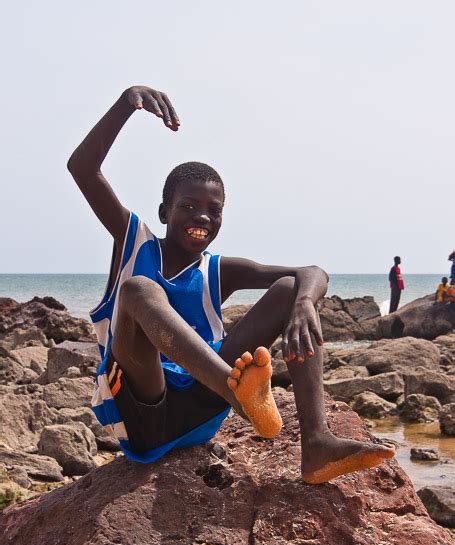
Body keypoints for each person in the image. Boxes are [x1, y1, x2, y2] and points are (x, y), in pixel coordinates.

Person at [67, 85, 394, 485]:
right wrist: (126, 103)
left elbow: (313, 272)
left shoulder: (219, 270)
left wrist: (305, 302)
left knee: (292, 290)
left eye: (213, 210)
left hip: (203, 412)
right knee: (137, 290)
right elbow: (82, 168)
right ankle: (237, 390)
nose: (202, 216)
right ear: (164, 212)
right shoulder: (134, 242)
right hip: (144, 413)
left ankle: (317, 443)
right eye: (188, 206)